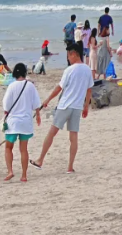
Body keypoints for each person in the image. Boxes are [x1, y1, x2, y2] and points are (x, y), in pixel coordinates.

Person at [31, 43, 93, 174]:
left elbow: (59, 88)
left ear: (74, 54)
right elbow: (89, 90)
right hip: (77, 107)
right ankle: (70, 167)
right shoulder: (87, 69)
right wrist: (86, 106)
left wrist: (47, 100)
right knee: (73, 136)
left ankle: (40, 160)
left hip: (65, 106)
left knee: (52, 132)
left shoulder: (69, 70)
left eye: (69, 55)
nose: (68, 58)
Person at [2, 63, 42, 182]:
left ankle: (10, 171)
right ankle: (24, 175)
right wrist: (38, 115)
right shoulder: (30, 86)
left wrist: (6, 113)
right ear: (25, 73)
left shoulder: (12, 86)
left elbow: (6, 105)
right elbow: (36, 104)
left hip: (13, 122)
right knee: (23, 149)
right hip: (26, 121)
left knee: (8, 147)